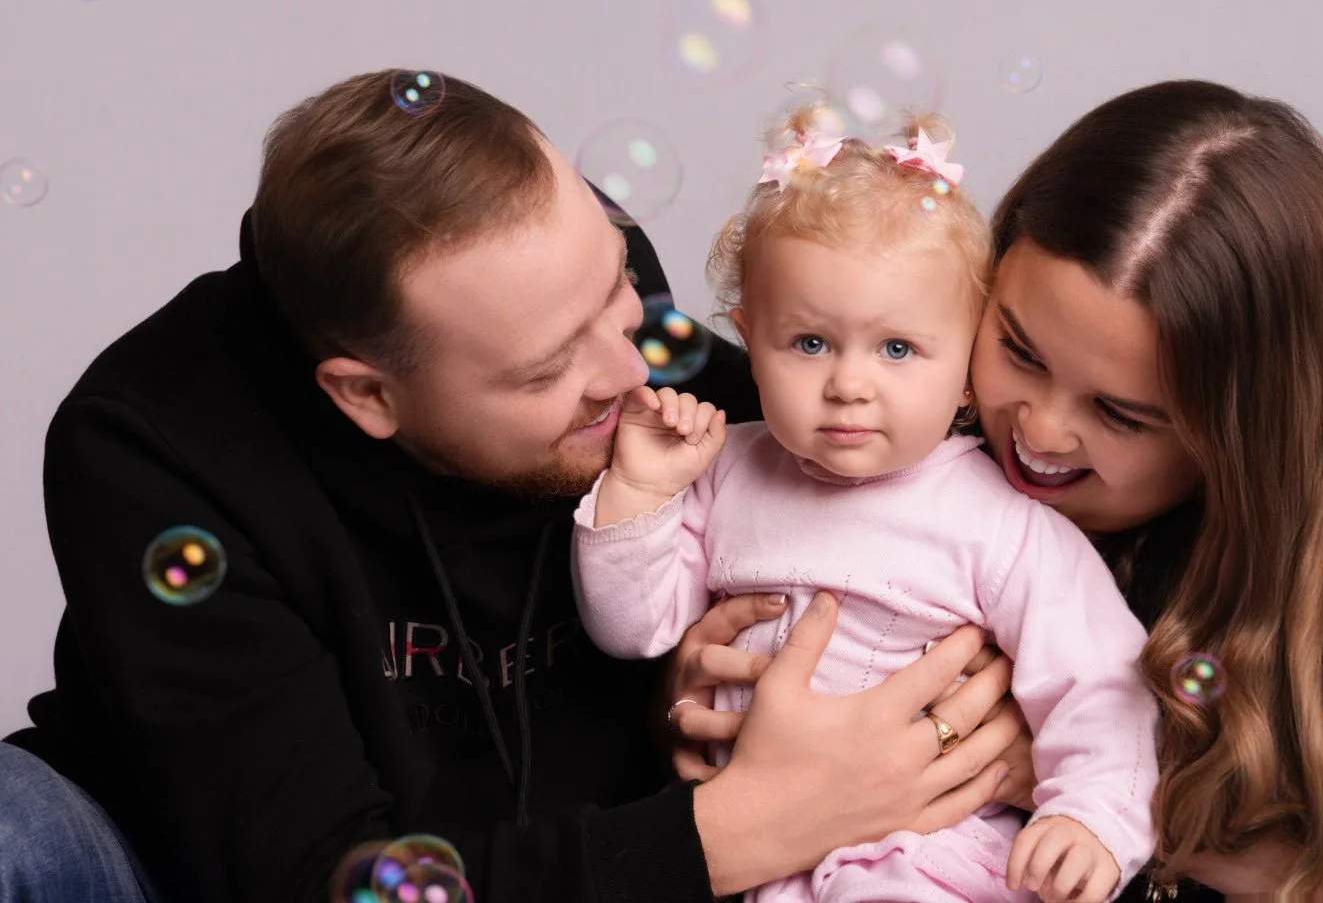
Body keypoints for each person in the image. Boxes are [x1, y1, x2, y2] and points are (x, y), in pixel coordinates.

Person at [0, 71, 1032, 903]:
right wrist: (758, 823)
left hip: (600, 847)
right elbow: (317, 876)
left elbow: (880, 487)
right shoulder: (155, 445)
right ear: (367, 396)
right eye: (546, 372)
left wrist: (694, 689)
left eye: (618, 285)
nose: (633, 374)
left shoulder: (585, 308)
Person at [669, 79, 1323, 897]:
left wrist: (1090, 779)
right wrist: (742, 664)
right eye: (1018, 350)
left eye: (1123, 414)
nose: (1037, 428)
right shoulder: (925, 401)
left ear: (1251, 429)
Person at [573, 110, 1159, 903]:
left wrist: (1094, 819)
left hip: (921, 859)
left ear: (966, 373)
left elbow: (1100, 684)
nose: (851, 384)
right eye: (809, 343)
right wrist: (639, 495)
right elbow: (633, 628)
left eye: (897, 349)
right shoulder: (723, 471)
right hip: (755, 854)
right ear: (751, 336)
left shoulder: (999, 526)